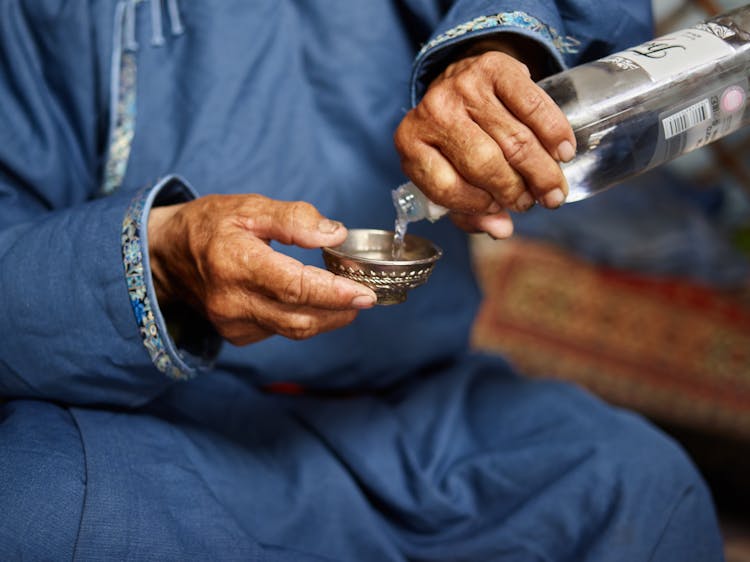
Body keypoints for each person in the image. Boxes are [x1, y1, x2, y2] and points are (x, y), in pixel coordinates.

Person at [0, 1, 725, 560]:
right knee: (38, 513)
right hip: (146, 426)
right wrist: (161, 258)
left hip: (420, 411)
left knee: (639, 489)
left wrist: (493, 51)